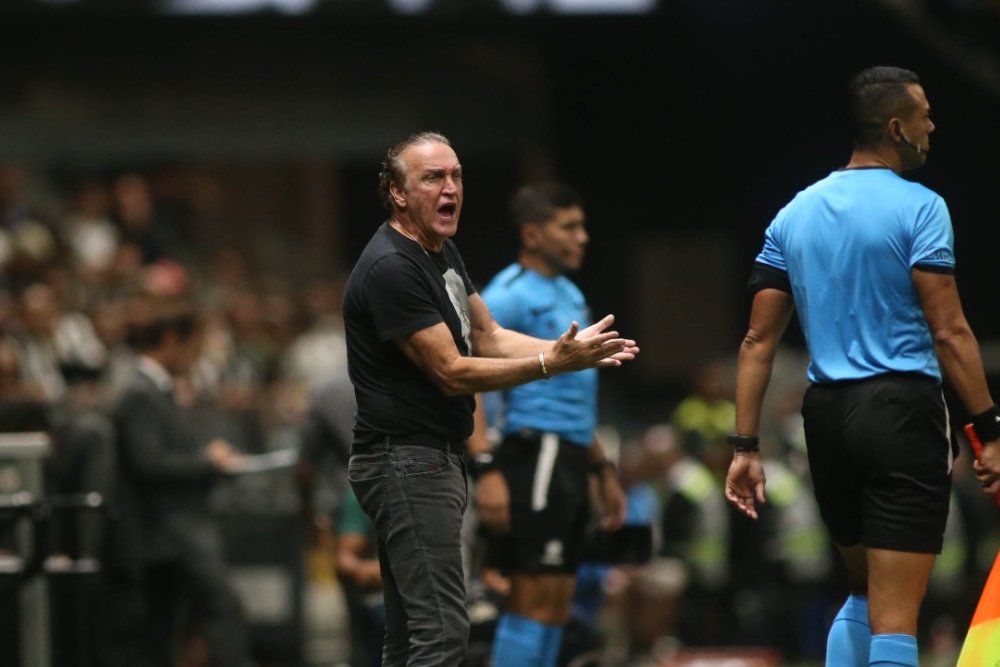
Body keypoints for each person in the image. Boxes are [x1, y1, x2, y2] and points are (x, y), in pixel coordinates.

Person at [724, 65, 1000, 667]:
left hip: (826, 419)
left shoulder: (793, 212)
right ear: (897, 128)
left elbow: (755, 341)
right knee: (898, 618)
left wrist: (745, 446)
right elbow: (949, 330)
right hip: (900, 412)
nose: (934, 124)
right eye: (924, 114)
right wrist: (988, 432)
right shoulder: (922, 208)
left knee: (862, 591)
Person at [342, 131, 638, 667]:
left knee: (413, 634)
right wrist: (550, 365)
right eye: (433, 177)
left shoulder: (440, 251)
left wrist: (570, 349)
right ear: (398, 193)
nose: (450, 187)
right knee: (444, 630)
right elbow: (453, 372)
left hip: (430, 458)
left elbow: (488, 335)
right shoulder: (392, 267)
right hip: (407, 459)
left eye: (455, 175)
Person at [469, 181, 627, 667]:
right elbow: (469, 376)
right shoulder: (507, 294)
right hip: (533, 455)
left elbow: (576, 395)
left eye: (582, 226)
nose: (582, 237)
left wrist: (602, 470)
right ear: (533, 235)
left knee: (558, 604)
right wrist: (486, 468)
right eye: (569, 227)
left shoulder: (570, 293)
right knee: (531, 600)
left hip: (571, 457)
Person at [107, 297, 252, 667]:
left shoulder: (158, 391)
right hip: (162, 536)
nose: (195, 358)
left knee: (168, 633)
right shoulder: (140, 394)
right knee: (215, 611)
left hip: (173, 534)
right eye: (194, 348)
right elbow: (149, 464)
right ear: (172, 339)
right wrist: (208, 462)